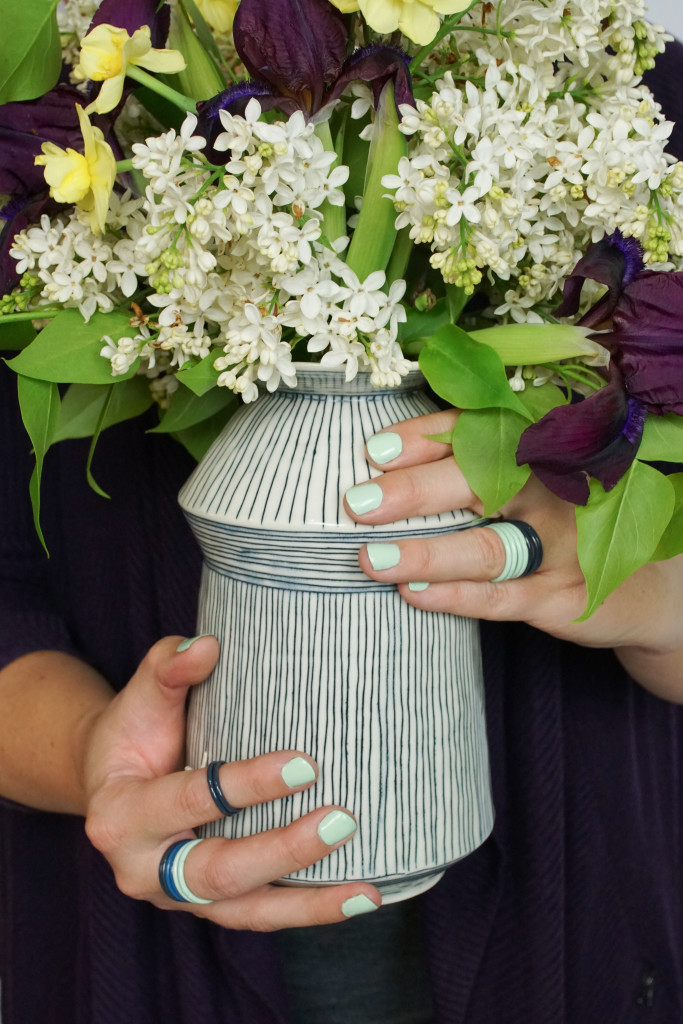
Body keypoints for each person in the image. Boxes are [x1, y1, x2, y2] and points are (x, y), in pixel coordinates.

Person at [2, 51, 683, 1024]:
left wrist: (652, 590)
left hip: (586, 947)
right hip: (135, 970)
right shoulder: (62, 131)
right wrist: (86, 754)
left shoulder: (628, 123)